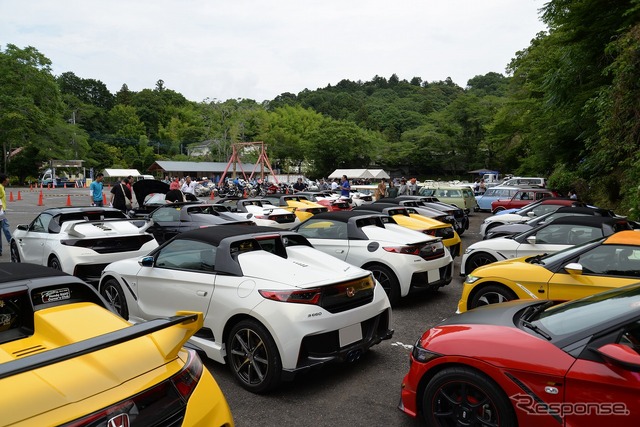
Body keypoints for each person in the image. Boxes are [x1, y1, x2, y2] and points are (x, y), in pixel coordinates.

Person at [0, 174, 11, 257]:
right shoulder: (0, 187)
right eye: (7, 178)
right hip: (1, 211)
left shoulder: (2, 186)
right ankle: (12, 243)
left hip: (2, 210)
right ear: (3, 180)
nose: (8, 179)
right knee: (5, 227)